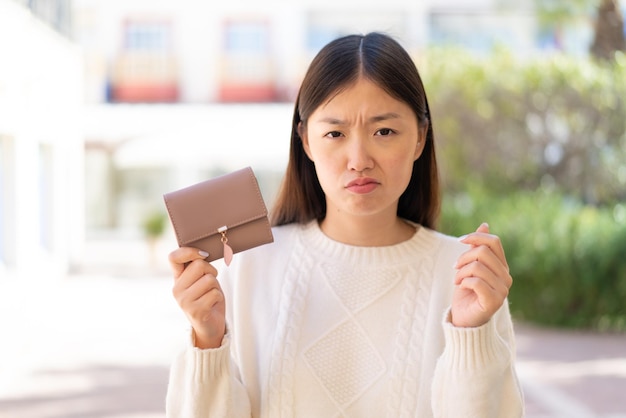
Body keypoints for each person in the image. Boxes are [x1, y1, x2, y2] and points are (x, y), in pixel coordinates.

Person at [166, 32, 524, 417]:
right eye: (335, 133)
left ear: (420, 137)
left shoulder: (464, 274)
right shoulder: (250, 265)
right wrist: (207, 339)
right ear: (305, 140)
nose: (359, 159)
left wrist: (471, 334)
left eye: (384, 131)